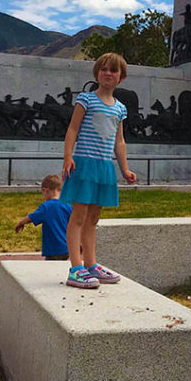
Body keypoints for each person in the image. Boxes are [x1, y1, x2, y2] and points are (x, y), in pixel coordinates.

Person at [59, 52, 137, 289]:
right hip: (84, 164)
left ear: (121, 78)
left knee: (93, 218)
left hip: (104, 167)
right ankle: (75, 268)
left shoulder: (120, 109)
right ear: (97, 73)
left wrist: (124, 168)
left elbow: (119, 141)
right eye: (104, 69)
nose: (108, 74)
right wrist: (68, 156)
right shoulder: (86, 100)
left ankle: (91, 264)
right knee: (79, 216)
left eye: (113, 70)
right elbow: (72, 129)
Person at [14, 174, 73, 260]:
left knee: (50, 269)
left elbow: (31, 217)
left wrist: (20, 223)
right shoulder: (68, 206)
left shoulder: (46, 207)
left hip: (53, 249)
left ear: (46, 190)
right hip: (67, 248)